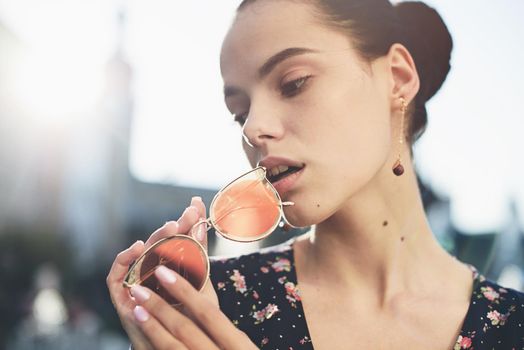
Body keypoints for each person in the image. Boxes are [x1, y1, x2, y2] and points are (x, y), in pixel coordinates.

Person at [107, 0, 524, 349]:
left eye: (293, 83)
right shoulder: (214, 306)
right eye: (240, 113)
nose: (253, 128)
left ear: (397, 78)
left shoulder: (513, 326)